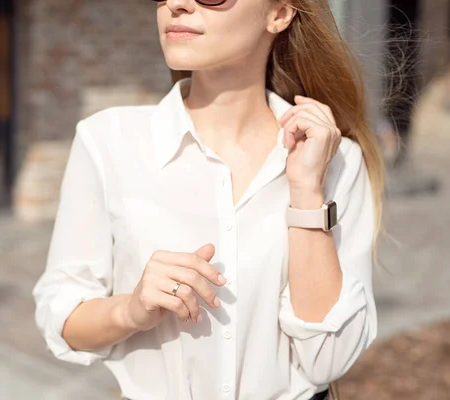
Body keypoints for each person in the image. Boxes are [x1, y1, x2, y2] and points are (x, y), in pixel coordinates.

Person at [32, 0, 386, 399]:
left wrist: (306, 192)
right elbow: (61, 319)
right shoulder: (107, 142)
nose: (178, 4)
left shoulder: (334, 159)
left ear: (280, 13)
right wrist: (130, 310)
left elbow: (330, 359)